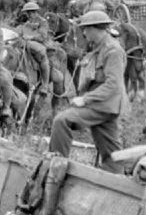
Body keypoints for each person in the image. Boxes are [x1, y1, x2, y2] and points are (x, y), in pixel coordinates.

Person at [49, 11, 127, 172]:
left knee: (61, 120)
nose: (83, 33)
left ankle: (56, 167)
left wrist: (85, 99)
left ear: (96, 29)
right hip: (103, 105)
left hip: (103, 105)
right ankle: (119, 182)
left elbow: (113, 84)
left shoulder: (113, 51)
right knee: (112, 156)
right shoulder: (98, 48)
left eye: (86, 29)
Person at [17, 2, 52, 95]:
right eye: (27, 13)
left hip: (40, 44)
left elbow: (43, 36)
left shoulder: (43, 22)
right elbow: (20, 32)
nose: (29, 15)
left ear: (35, 12)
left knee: (43, 58)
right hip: (25, 44)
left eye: (30, 12)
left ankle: (45, 84)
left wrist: (31, 37)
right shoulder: (26, 23)